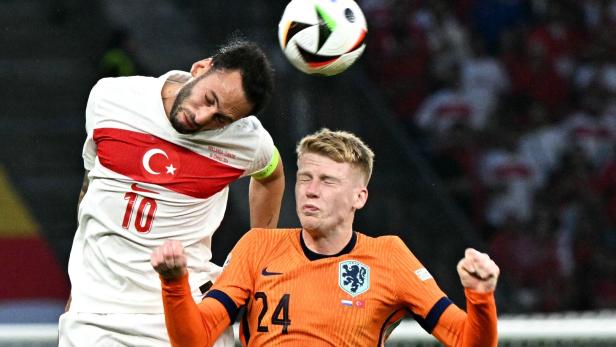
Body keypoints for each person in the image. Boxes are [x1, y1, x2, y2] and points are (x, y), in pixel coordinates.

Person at [151, 128, 500, 346]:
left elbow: (465, 340)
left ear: (358, 197)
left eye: (328, 181)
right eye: (305, 178)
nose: (310, 191)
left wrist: (480, 296)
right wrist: (174, 282)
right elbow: (194, 339)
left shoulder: (389, 256)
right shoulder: (258, 246)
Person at [58, 39, 285, 347]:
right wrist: (79, 285)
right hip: (97, 319)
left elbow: (271, 175)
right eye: (208, 99)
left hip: (184, 318)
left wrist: (258, 257)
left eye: (221, 118)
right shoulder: (111, 97)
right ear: (200, 68)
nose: (203, 117)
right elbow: (91, 189)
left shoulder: (247, 142)